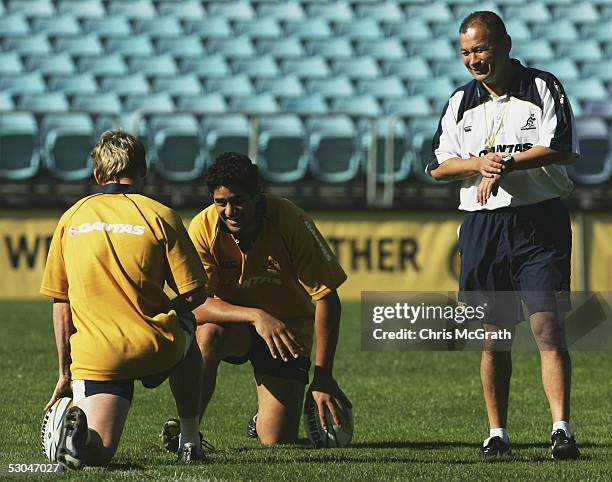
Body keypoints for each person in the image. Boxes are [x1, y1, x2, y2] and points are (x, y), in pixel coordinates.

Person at [41, 132, 292, 468]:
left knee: (98, 452)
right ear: (144, 170)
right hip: (155, 344)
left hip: (97, 357)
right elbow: (195, 295)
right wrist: (163, 312)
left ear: (98, 176)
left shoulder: (70, 219)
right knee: (190, 323)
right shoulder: (160, 216)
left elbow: (61, 303)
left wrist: (64, 372)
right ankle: (190, 440)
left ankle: (78, 437)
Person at [427, 11, 580, 459]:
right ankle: (497, 432)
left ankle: (561, 429)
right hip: (484, 225)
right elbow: (437, 165)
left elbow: (563, 147)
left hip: (539, 222)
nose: (474, 59)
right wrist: (478, 164)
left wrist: (508, 163)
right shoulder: (459, 101)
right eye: (466, 52)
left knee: (546, 326)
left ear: (505, 45)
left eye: (481, 49)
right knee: (494, 336)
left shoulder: (542, 86)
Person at [162, 152, 351, 449]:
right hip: (233, 326)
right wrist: (256, 316)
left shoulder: (291, 221)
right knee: (207, 333)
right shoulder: (202, 228)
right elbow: (196, 303)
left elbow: (327, 297)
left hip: (286, 332)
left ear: (257, 194)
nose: (228, 210)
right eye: (220, 202)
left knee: (276, 439)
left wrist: (323, 376)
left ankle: (260, 420)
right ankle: (189, 433)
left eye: (237, 201)